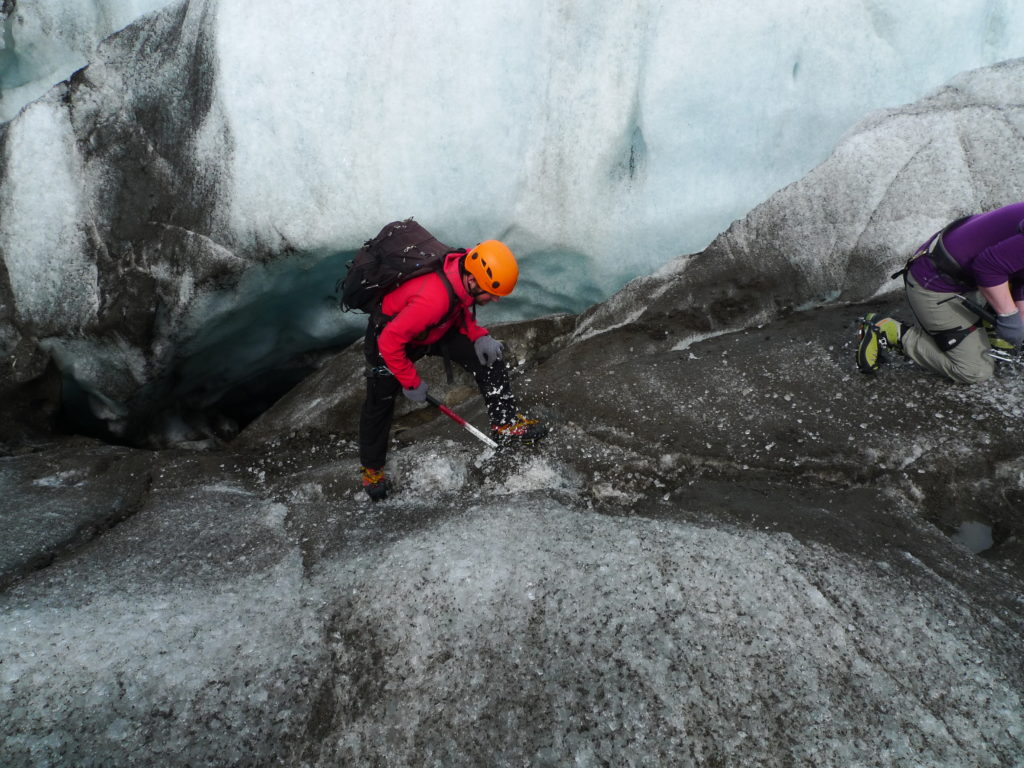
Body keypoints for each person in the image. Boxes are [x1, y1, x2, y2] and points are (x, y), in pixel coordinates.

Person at [358, 239, 547, 500]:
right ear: (473, 279)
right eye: (491, 293)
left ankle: (505, 424)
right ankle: (372, 471)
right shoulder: (433, 299)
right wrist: (410, 381)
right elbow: (390, 341)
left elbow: (457, 305)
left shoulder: (464, 268)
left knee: (489, 358)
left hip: (434, 328)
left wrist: (477, 335)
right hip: (392, 335)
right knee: (380, 401)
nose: (495, 299)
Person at [856, 202, 1024, 383]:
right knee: (975, 370)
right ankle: (887, 331)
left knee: (1014, 322)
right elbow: (988, 268)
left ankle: (989, 331)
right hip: (933, 281)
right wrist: (1009, 316)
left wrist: (1020, 316)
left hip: (963, 267)